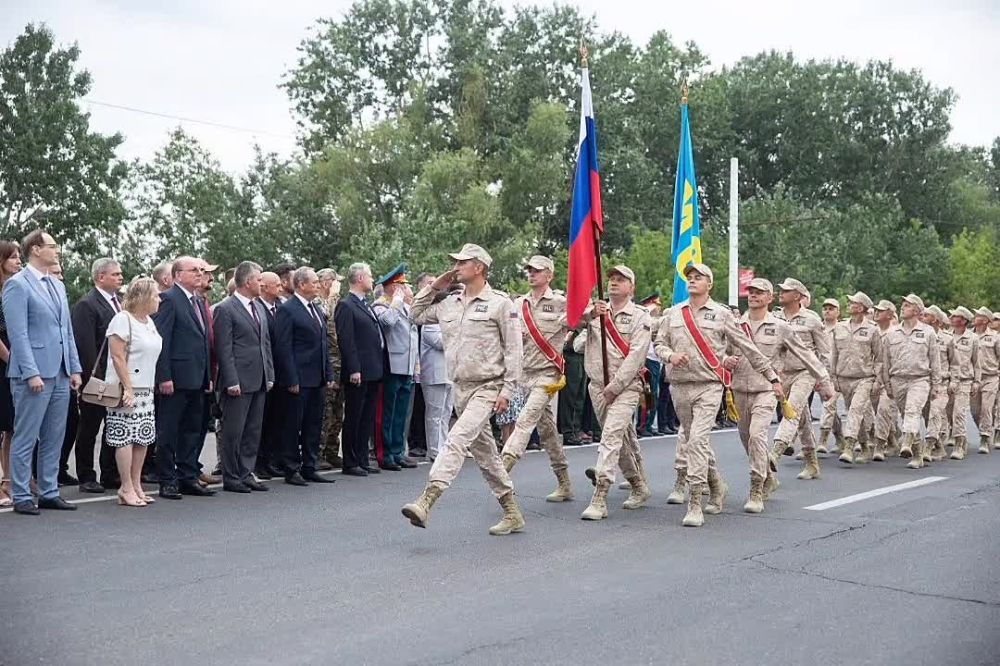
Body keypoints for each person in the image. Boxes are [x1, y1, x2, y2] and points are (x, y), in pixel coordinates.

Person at [401, 243, 525, 536]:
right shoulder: (449, 303)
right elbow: (414, 315)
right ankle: (512, 511)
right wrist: (434, 288)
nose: (455, 267)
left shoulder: (500, 303)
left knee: (455, 438)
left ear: (479, 267)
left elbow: (514, 350)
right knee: (487, 456)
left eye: (461, 263)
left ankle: (427, 499)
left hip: (488, 386)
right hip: (461, 388)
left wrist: (508, 389)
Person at [654, 263, 781, 527]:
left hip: (709, 385)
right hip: (679, 385)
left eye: (698, 277)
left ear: (709, 284)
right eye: (689, 277)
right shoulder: (674, 313)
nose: (692, 280)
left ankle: (695, 503)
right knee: (692, 441)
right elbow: (660, 343)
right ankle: (716, 484)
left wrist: (770, 376)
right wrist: (669, 356)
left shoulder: (722, 315)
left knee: (698, 440)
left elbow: (745, 345)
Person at [730, 278, 831, 513]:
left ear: (769, 298)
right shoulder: (735, 324)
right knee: (748, 438)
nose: (753, 295)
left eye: (759, 292)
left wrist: (824, 381)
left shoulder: (780, 326)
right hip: (741, 389)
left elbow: (806, 354)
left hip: (768, 387)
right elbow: (722, 350)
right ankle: (775, 475)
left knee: (757, 436)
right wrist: (726, 360)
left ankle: (756, 488)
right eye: (751, 292)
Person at [3, 230, 83, 515]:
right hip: (33, 374)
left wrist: (74, 367)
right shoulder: (17, 285)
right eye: (52, 246)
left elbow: (66, 331)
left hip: (60, 371)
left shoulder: (57, 285)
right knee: (26, 435)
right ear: (35, 250)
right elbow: (18, 334)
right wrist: (30, 372)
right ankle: (21, 494)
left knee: (54, 436)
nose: (57, 250)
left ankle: (49, 491)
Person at [576, 265, 652, 521]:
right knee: (620, 443)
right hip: (597, 385)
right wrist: (589, 316)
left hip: (625, 387)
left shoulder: (641, 316)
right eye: (612, 279)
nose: (614, 283)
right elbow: (573, 330)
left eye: (621, 280)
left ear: (632, 287)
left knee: (609, 437)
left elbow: (636, 355)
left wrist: (616, 386)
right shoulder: (597, 312)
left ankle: (600, 495)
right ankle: (638, 484)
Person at [500, 256, 573, 502]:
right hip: (524, 374)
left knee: (525, 420)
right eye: (530, 270)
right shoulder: (518, 304)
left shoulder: (561, 302)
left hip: (547, 375)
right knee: (547, 431)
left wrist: (592, 310)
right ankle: (564, 481)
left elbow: (581, 318)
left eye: (538, 271)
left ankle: (501, 471)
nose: (532, 274)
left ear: (549, 275)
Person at [152, 256, 215, 500]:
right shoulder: (169, 299)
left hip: (197, 378)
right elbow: (162, 341)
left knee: (192, 429)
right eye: (194, 270)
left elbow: (203, 343)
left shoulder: (197, 301)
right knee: (168, 431)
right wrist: (164, 376)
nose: (200, 273)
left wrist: (208, 375)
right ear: (178, 275)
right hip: (175, 379)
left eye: (201, 270)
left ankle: (188, 476)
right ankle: (167, 479)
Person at [214, 261, 274, 492]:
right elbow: (224, 348)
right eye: (259, 280)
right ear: (248, 282)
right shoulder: (225, 309)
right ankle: (231, 476)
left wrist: (269, 374)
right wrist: (231, 380)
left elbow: (264, 343)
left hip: (258, 378)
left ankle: (246, 472)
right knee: (234, 431)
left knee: (252, 430)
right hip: (238, 379)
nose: (262, 284)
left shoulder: (258, 307)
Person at [103, 277, 163, 507]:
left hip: (146, 388)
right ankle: (125, 486)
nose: (159, 299)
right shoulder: (122, 319)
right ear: (144, 296)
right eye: (156, 295)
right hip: (124, 388)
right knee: (125, 438)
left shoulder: (148, 321)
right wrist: (128, 386)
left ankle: (136, 484)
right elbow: (117, 355)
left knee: (143, 437)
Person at [274, 267, 336, 485]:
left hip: (316, 377)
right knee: (293, 424)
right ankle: (291, 468)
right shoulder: (288, 310)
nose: (318, 286)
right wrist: (291, 378)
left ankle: (310, 465)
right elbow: (283, 347)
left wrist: (328, 373)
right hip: (298, 378)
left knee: (313, 424)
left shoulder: (316, 309)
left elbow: (323, 344)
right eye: (315, 282)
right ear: (302, 284)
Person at [70, 258, 124, 494]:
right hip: (97, 379)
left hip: (117, 376)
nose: (120, 278)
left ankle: (110, 472)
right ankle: (86, 475)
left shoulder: (119, 303)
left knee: (113, 427)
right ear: (100, 277)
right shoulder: (87, 305)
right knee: (90, 428)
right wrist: (95, 379)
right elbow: (86, 345)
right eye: (115, 274)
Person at [771, 278, 830, 479]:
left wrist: (823, 379)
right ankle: (812, 462)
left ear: (797, 296)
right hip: (783, 374)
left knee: (792, 410)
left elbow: (825, 352)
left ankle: (776, 452)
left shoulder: (811, 319)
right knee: (802, 418)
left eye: (786, 291)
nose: (781, 293)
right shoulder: (775, 318)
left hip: (805, 372)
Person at [335, 262, 386, 477]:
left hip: (373, 369)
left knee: (367, 416)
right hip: (359, 371)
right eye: (369, 276)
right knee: (354, 416)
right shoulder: (346, 305)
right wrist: (353, 368)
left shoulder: (365, 304)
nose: (372, 279)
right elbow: (347, 340)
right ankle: (351, 460)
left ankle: (363, 458)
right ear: (359, 279)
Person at [880, 295, 941, 468]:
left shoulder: (928, 332)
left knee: (912, 411)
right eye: (903, 305)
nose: (902, 308)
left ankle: (906, 441)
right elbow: (886, 361)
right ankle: (918, 454)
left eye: (907, 305)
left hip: (919, 379)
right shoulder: (892, 333)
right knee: (906, 414)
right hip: (897, 380)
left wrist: (936, 385)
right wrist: (887, 383)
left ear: (916, 310)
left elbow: (935, 361)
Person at [372, 264, 419, 470]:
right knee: (387, 413)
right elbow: (388, 323)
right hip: (391, 365)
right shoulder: (381, 305)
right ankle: (385, 453)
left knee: (400, 412)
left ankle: (398, 450)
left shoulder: (406, 307)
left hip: (407, 366)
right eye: (402, 285)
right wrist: (398, 301)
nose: (407, 288)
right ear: (393, 287)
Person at [830, 292, 883, 464]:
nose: (849, 304)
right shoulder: (840, 327)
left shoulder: (872, 329)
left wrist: (877, 380)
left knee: (855, 410)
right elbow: (834, 354)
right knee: (854, 413)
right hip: (844, 378)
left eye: (853, 303)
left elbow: (879, 357)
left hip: (864, 378)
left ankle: (848, 446)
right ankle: (865, 446)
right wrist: (834, 377)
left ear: (861, 308)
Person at [417, 275, 453, 461]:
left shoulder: (447, 323)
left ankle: (444, 446)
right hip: (434, 374)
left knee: (446, 413)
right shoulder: (431, 322)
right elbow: (440, 343)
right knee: (434, 414)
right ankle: (434, 450)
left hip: (449, 374)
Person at [255, 270, 284, 478]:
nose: (281, 288)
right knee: (261, 422)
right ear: (264, 286)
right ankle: (259, 462)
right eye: (277, 285)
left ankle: (271, 460)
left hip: (279, 372)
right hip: (262, 371)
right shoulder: (257, 308)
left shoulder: (280, 308)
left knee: (276, 419)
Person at [0, 241, 22, 507]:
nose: (18, 261)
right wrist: (12, 360)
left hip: (17, 361)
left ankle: (10, 481)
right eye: (13, 257)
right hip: (5, 361)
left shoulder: (16, 289)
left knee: (12, 426)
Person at [317, 268, 345, 469]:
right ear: (326, 283)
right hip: (328, 363)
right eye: (336, 282)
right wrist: (333, 295)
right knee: (325, 410)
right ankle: (317, 451)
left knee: (337, 410)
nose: (339, 286)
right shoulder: (320, 302)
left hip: (340, 362)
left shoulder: (336, 301)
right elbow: (326, 317)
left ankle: (331, 450)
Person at [947, 307, 979, 460]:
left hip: (965, 380)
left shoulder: (972, 338)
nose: (952, 318)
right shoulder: (946, 336)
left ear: (964, 320)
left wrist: (976, 382)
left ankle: (959, 444)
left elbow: (976, 362)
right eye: (952, 316)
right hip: (948, 381)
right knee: (947, 414)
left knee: (959, 412)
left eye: (956, 316)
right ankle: (956, 438)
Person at [971, 306, 1000, 455]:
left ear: (985, 320)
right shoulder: (969, 336)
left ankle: (985, 436)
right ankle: (985, 429)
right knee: (975, 411)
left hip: (991, 377)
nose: (975, 317)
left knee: (986, 408)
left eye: (978, 315)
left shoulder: (995, 337)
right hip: (974, 379)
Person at [817, 297, 843, 454]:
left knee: (829, 406)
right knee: (829, 407)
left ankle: (823, 439)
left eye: (831, 308)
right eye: (825, 308)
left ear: (838, 312)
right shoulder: (818, 328)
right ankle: (840, 437)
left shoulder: (843, 329)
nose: (827, 311)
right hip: (822, 373)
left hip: (840, 373)